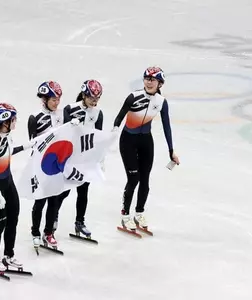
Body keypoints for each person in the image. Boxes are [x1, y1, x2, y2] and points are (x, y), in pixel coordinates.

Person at [113, 66, 180, 231]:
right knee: (133, 179)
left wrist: (171, 150)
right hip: (128, 141)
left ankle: (139, 213)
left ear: (160, 83)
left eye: (153, 79)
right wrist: (113, 133)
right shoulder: (133, 97)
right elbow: (119, 117)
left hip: (146, 142)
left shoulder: (161, 102)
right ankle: (125, 215)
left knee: (145, 181)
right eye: (147, 78)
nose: (149, 82)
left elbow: (167, 127)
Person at [28, 81, 78, 250]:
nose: (57, 103)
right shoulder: (34, 118)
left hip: (57, 165)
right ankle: (35, 232)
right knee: (40, 202)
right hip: (41, 166)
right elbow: (33, 145)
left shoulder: (62, 115)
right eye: (54, 100)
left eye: (59, 99)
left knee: (54, 201)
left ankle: (48, 232)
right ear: (45, 99)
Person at [55, 79, 104, 238]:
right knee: (64, 191)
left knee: (83, 192)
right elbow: (60, 132)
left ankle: (79, 222)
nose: (94, 101)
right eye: (91, 98)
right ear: (84, 95)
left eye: (97, 98)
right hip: (70, 158)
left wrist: (98, 159)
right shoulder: (70, 109)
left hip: (86, 159)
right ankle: (53, 217)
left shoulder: (98, 114)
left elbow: (98, 137)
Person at [0, 103, 35, 272]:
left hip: (8, 182)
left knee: (13, 217)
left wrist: (26, 146)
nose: (15, 122)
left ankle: (8, 255)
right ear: (4, 122)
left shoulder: (6, 134)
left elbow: (8, 151)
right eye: (13, 119)